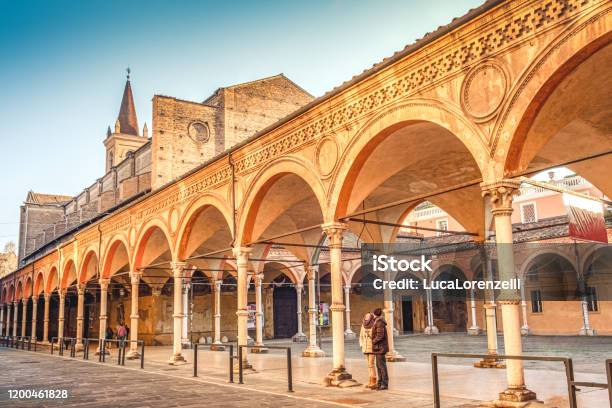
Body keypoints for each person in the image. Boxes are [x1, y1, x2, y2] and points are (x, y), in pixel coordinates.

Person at [371, 308, 389, 390]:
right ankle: (380, 382)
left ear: (375, 314)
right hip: (378, 347)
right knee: (378, 366)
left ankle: (384, 384)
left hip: (380, 347)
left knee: (381, 366)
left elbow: (380, 335)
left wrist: (373, 341)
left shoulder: (379, 322)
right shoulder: (378, 321)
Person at [359, 312, 376, 389]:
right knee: (368, 365)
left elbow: (375, 337)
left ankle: (373, 380)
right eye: (365, 316)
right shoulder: (363, 325)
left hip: (372, 347)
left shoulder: (373, 325)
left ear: (371, 317)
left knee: (371, 364)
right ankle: (370, 380)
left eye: (368, 316)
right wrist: (361, 344)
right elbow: (361, 336)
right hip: (365, 347)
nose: (366, 317)